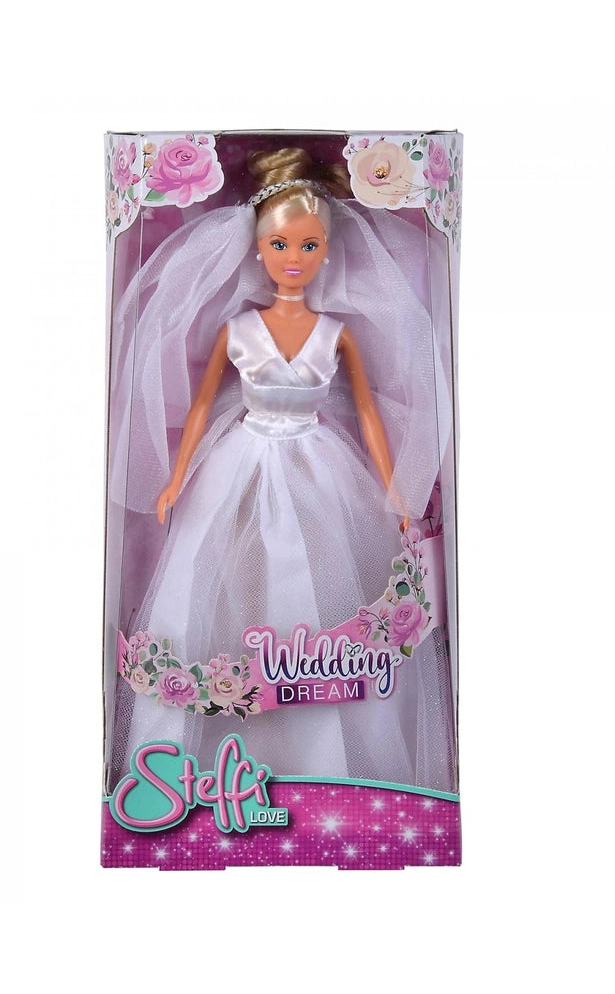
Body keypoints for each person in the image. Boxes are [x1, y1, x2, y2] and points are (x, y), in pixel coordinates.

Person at [110, 148, 454, 788]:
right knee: (222, 586)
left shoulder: (335, 333)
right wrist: (176, 479)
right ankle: (211, 752)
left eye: (308, 245)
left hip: (319, 466)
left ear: (326, 251)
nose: (293, 257)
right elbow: (205, 402)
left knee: (320, 589)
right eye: (279, 244)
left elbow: (370, 417)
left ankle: (327, 761)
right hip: (240, 464)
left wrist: (397, 491)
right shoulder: (239, 329)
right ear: (258, 248)